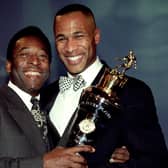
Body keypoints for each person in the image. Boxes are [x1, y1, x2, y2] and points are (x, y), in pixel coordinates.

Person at [40, 3, 168, 168]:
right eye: (61, 38)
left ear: (96, 36)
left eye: (78, 36)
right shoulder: (46, 94)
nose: (70, 47)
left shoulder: (132, 92)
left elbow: (155, 162)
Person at [0, 25, 95, 168]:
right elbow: (49, 160)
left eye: (42, 56)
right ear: (8, 65)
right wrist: (42, 163)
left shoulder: (51, 106)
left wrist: (103, 154)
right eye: (24, 55)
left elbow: (63, 156)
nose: (35, 62)